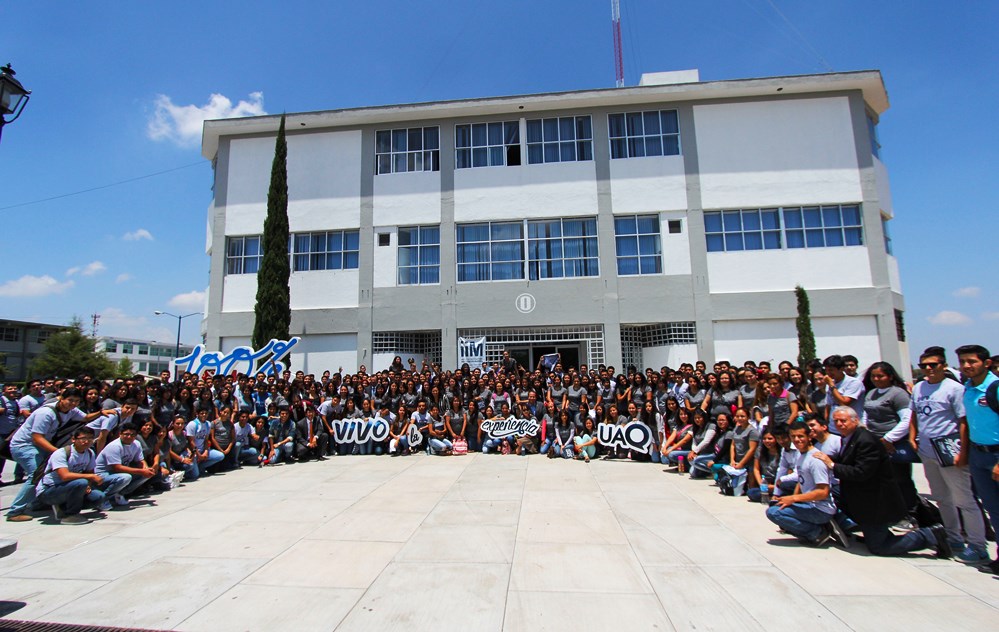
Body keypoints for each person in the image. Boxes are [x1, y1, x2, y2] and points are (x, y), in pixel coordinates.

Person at [811, 406, 951, 558]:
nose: (839, 424)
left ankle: (931, 535)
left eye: (843, 421)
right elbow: (849, 461)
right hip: (860, 500)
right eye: (836, 421)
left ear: (855, 420)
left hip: (875, 503)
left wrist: (832, 465)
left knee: (880, 547)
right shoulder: (849, 438)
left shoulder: (865, 440)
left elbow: (861, 472)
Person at [909, 347, 988, 563]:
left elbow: (963, 421)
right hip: (927, 450)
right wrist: (912, 436)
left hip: (949, 449)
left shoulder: (954, 389)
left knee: (964, 499)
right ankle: (953, 538)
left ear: (943, 365)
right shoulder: (919, 388)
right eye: (923, 365)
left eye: (932, 365)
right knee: (942, 498)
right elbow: (914, 413)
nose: (928, 369)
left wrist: (962, 452)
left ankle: (977, 544)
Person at [6, 387, 88, 522]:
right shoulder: (45, 413)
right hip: (25, 446)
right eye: (70, 400)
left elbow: (85, 417)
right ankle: (15, 511)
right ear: (61, 398)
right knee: (36, 476)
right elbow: (37, 437)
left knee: (49, 475)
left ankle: (38, 503)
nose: (73, 404)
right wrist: (58, 453)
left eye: (76, 401)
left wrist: (103, 412)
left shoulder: (71, 410)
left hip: (40, 447)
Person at [955, 344, 999, 575]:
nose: (966, 366)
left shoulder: (995, 387)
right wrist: (965, 453)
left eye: (972, 361)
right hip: (978, 454)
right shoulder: (969, 388)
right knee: (992, 508)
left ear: (986, 362)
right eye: (963, 362)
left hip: (996, 454)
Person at [765, 421, 838, 546]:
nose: (797, 440)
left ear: (809, 437)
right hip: (809, 505)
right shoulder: (802, 456)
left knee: (774, 513)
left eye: (801, 436)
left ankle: (817, 533)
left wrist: (793, 498)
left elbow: (823, 492)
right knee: (776, 506)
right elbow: (801, 480)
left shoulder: (815, 459)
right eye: (793, 437)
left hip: (820, 509)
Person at [34, 427, 106, 524]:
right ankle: (70, 516)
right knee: (81, 482)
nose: (87, 441)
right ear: (73, 439)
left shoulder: (89, 453)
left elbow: (89, 471)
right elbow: (65, 476)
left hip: (71, 487)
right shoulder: (62, 453)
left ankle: (63, 508)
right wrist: (89, 478)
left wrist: (88, 484)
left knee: (99, 497)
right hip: (49, 490)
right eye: (83, 438)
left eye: (90, 438)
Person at [94, 422, 156, 506]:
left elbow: (140, 460)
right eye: (126, 434)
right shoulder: (115, 446)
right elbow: (117, 467)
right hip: (103, 474)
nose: (129, 437)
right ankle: (102, 499)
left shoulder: (136, 444)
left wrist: (146, 468)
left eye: (132, 435)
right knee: (126, 477)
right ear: (120, 434)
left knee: (147, 474)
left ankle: (120, 494)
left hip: (119, 473)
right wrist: (141, 471)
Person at [822, 355, 865, 429]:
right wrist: (826, 422)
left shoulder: (853, 382)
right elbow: (828, 405)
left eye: (831, 370)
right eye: (826, 370)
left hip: (851, 426)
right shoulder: (830, 383)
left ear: (841, 369)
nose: (828, 373)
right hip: (834, 427)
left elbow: (844, 404)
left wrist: (832, 386)